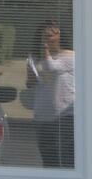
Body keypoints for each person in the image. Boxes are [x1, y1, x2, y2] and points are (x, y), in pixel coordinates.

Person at [24, 21, 75, 168]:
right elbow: (31, 83)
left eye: (52, 34)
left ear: (61, 36)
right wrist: (31, 75)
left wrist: (45, 51)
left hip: (64, 116)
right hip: (42, 116)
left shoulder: (69, 56)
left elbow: (50, 67)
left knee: (65, 159)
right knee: (48, 160)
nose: (47, 38)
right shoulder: (35, 58)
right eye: (44, 35)